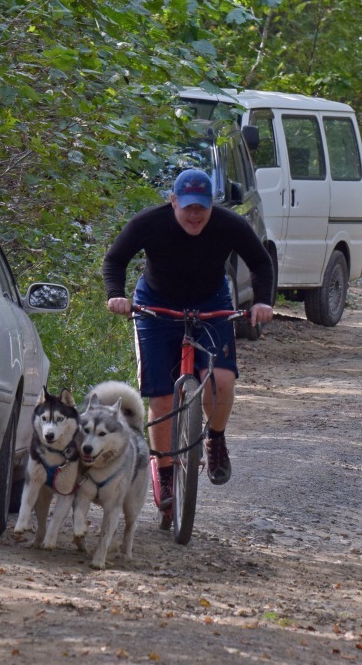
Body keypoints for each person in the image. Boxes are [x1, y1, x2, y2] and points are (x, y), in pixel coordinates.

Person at [103, 168, 274, 511]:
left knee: (222, 380)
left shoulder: (229, 224)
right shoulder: (149, 223)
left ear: (212, 205)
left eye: (202, 208)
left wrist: (262, 301)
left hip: (210, 302)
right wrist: (116, 295)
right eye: (188, 208)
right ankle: (165, 471)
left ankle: (216, 439)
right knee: (162, 397)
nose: (195, 215)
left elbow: (260, 261)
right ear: (173, 202)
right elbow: (115, 259)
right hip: (156, 304)